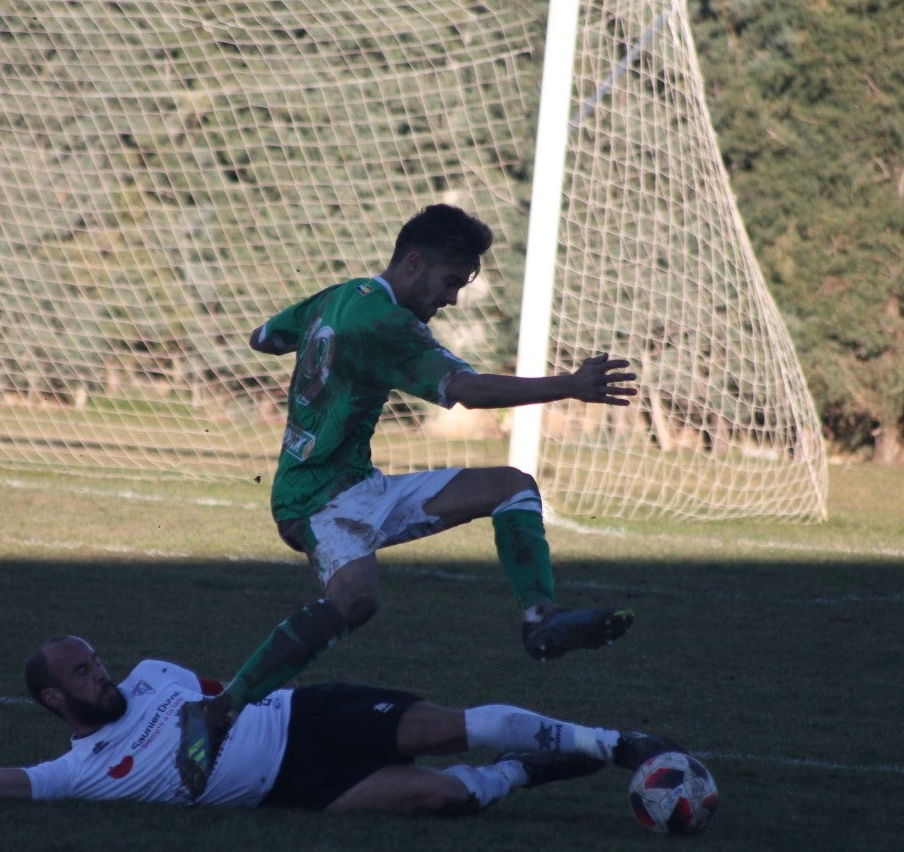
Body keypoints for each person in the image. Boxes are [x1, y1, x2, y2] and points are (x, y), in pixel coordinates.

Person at [177, 204, 638, 796]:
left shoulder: (343, 295)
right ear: (414, 263)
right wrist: (569, 386)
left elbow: (264, 336)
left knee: (513, 486)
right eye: (450, 281)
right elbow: (466, 390)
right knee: (356, 602)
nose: (449, 299)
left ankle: (541, 619)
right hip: (316, 498)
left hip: (360, 484)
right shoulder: (386, 325)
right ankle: (219, 711)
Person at [0, 635, 686, 815]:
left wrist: (224, 708)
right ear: (57, 702)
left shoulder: (156, 673)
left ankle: (612, 745)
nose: (100, 671)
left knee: (449, 731)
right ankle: (532, 772)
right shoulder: (79, 772)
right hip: (295, 790)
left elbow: (234, 688)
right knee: (444, 799)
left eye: (94, 658)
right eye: (81, 672)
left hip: (308, 716)